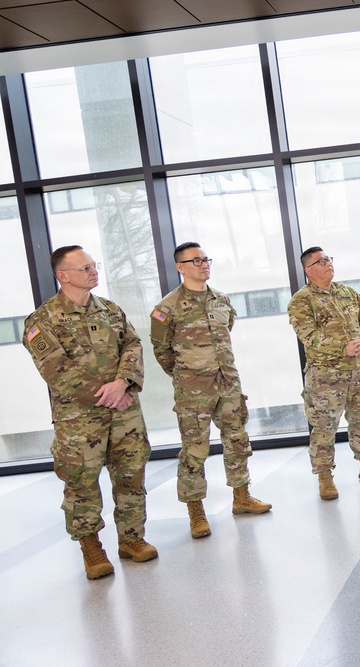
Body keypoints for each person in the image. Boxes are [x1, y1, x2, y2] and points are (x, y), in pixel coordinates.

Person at [23, 245, 157, 580]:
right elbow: (55, 369)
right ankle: (91, 547)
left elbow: (133, 344)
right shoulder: (42, 321)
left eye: (94, 265)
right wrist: (110, 393)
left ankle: (131, 539)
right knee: (81, 484)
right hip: (79, 420)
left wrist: (124, 382)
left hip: (124, 414)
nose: (93, 271)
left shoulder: (110, 310)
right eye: (85, 268)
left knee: (131, 477)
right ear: (63, 275)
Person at [150, 242, 271, 538]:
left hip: (227, 382)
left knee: (237, 439)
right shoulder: (166, 308)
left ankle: (241, 497)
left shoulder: (221, 300)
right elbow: (161, 350)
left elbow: (226, 331)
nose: (204, 264)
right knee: (194, 450)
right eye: (196, 261)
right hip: (193, 390)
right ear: (181, 267)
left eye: (206, 259)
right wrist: (186, 375)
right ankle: (196, 512)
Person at [287, 247, 360, 500]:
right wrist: (341, 347)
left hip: (357, 371)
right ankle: (324, 477)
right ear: (308, 269)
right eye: (321, 261)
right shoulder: (301, 301)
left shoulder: (348, 293)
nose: (328, 264)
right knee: (324, 427)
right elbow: (309, 336)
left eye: (329, 259)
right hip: (325, 377)